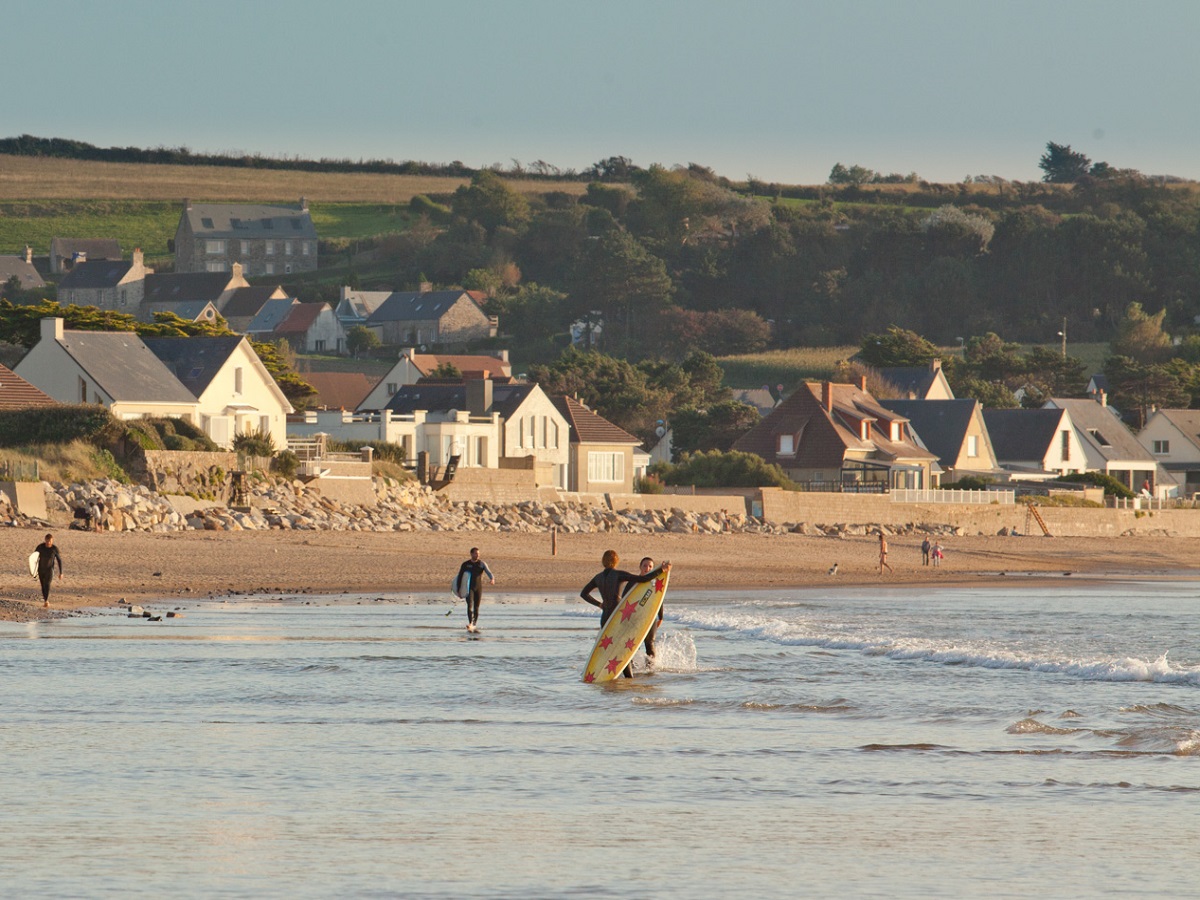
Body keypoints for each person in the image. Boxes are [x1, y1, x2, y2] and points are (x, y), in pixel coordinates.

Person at [580, 550, 670, 678]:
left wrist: (600, 604)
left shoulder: (598, 577)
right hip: (618, 617)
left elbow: (583, 594)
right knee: (622, 649)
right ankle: (628, 678)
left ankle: (600, 675)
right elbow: (644, 579)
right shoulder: (618, 575)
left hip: (605, 617)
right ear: (616, 561)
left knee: (610, 649)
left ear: (603, 561)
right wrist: (661, 570)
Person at [454, 547, 495, 633]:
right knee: (469, 605)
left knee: (476, 607)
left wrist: (492, 579)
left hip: (478, 588)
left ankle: (474, 624)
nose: (478, 555)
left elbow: (489, 572)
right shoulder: (465, 564)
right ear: (471, 554)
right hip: (468, 589)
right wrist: (458, 589)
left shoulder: (482, 564)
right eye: (476, 553)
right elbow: (460, 576)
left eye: (479, 554)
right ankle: (470, 623)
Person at [635, 556, 665, 666]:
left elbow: (659, 599)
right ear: (640, 567)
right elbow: (624, 600)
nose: (647, 568)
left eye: (650, 566)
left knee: (650, 643)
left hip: (650, 617)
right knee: (634, 645)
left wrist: (660, 616)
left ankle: (650, 669)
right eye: (645, 565)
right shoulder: (634, 582)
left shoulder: (654, 584)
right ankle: (633, 667)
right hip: (635, 618)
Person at [33, 533, 63, 608]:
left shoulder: (54, 549)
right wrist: (33, 570)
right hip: (41, 569)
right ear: (45, 540)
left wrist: (61, 573)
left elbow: (59, 560)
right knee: (43, 585)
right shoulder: (40, 547)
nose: (48, 542)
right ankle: (45, 600)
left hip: (49, 570)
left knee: (47, 584)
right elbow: (34, 558)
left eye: (50, 541)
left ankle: (46, 600)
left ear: (52, 541)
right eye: (47, 541)